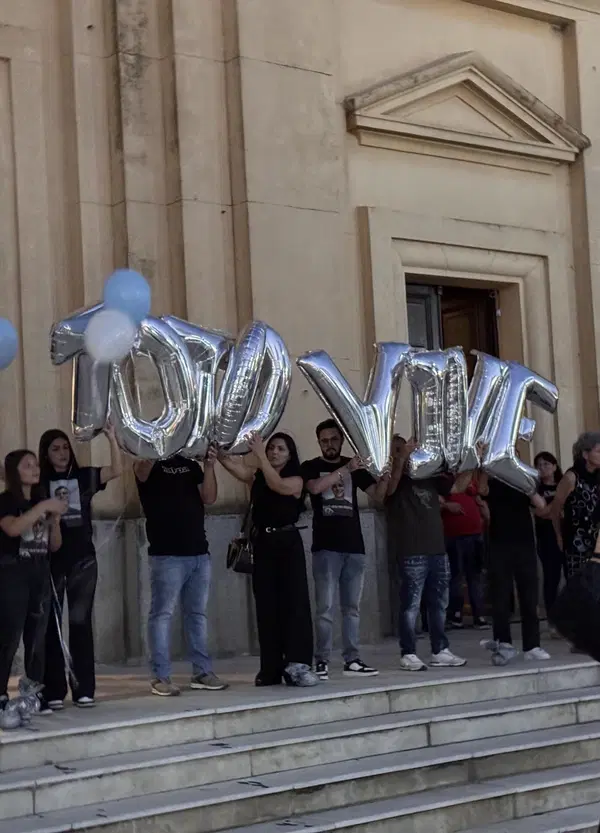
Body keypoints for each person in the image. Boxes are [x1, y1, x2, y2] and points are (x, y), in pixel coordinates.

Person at [219, 432, 318, 687]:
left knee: (294, 604)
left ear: (290, 454)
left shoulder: (297, 478)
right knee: (266, 606)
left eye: (280, 449)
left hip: (288, 544)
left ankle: (298, 664)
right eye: (271, 447)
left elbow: (279, 486)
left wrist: (260, 455)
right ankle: (270, 667)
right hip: (263, 544)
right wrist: (216, 453)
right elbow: (237, 468)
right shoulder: (259, 475)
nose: (274, 452)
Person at [38, 424, 123, 709]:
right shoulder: (40, 482)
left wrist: (112, 438)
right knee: (51, 626)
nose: (62, 453)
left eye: (64, 447)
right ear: (46, 455)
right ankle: (53, 690)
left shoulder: (84, 475)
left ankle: (83, 688)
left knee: (80, 623)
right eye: (55, 449)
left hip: (83, 559)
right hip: (50, 562)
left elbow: (116, 470)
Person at [134, 446, 228, 696]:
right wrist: (155, 445)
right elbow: (140, 470)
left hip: (198, 552)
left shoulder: (190, 465)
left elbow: (209, 498)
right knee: (162, 615)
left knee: (197, 615)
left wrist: (209, 466)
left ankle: (202, 672)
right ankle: (160, 676)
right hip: (167, 555)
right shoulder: (149, 463)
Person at [301, 419, 389, 680]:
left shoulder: (356, 466)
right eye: (324, 440)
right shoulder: (312, 467)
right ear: (319, 442)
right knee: (325, 608)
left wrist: (385, 476)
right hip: (325, 548)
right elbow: (315, 488)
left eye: (333, 439)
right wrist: (345, 469)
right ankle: (322, 661)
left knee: (352, 608)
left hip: (354, 547)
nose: (329, 444)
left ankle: (352, 659)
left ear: (340, 440)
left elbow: (378, 495)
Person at [386, 435, 466, 671]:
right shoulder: (392, 476)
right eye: (399, 450)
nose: (407, 452)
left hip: (437, 549)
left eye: (408, 448)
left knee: (439, 602)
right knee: (411, 605)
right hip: (411, 550)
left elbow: (456, 488)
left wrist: (475, 461)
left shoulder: (428, 475)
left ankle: (439, 649)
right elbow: (387, 492)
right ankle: (408, 652)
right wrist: (400, 459)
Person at [0, 450, 65, 714]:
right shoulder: (6, 501)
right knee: (9, 636)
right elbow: (13, 529)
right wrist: (42, 508)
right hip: (13, 574)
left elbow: (55, 545)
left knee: (37, 637)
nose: (35, 469)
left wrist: (56, 521)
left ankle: (33, 694)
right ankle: (1, 693)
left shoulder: (40, 500)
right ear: (15, 471)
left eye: (36, 464)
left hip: (40, 572)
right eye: (28, 465)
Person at [480, 472, 550, 665]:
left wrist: (526, 485)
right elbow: (481, 489)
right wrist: (488, 467)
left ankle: (532, 646)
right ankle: (504, 644)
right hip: (499, 543)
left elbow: (541, 505)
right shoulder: (494, 480)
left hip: (525, 543)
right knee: (500, 596)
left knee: (529, 596)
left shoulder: (524, 480)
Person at [442, 471, 490, 630]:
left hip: (475, 534)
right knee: (456, 577)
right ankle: (456, 613)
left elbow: (482, 492)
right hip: (454, 535)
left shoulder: (472, 478)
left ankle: (479, 614)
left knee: (475, 575)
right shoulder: (444, 478)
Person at [551, 432, 600, 579]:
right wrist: (559, 536)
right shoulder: (571, 477)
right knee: (579, 588)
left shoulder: (598, 476)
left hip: (596, 542)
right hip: (576, 544)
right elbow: (555, 509)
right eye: (598, 451)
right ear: (585, 454)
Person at [533, 451, 565, 627]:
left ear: (554, 466)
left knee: (571, 577)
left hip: (567, 536)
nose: (543, 468)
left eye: (546, 464)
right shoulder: (536, 489)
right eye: (539, 465)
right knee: (551, 577)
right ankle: (552, 619)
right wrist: (558, 504)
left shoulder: (563, 484)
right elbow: (541, 512)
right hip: (546, 537)